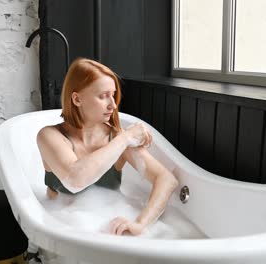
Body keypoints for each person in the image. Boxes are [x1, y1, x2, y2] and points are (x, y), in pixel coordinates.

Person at [36, 58, 179, 236]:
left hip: (107, 228)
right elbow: (75, 180)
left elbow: (166, 180)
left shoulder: (117, 138)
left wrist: (141, 224)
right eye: (103, 96)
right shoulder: (50, 136)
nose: (112, 104)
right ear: (77, 99)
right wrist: (126, 137)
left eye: (113, 94)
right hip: (59, 228)